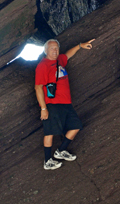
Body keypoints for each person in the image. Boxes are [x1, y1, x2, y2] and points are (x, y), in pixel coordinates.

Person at [35, 38, 95, 170]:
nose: (55, 50)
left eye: (56, 48)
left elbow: (67, 54)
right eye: (51, 48)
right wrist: (43, 108)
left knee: (76, 126)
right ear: (45, 50)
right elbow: (38, 87)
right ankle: (47, 161)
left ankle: (61, 151)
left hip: (66, 102)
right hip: (52, 103)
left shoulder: (59, 60)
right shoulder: (43, 65)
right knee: (49, 132)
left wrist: (80, 45)